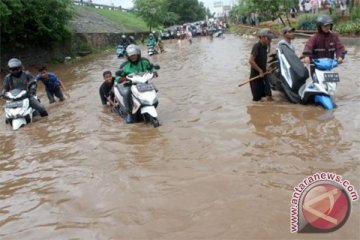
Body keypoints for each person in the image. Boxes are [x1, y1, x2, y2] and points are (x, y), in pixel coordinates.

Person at [115, 44, 158, 123]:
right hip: (131, 84)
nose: (133, 57)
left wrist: (154, 71)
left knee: (155, 90)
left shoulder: (145, 61)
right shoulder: (124, 66)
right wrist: (122, 78)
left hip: (144, 83)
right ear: (128, 56)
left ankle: (151, 105)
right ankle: (129, 113)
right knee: (127, 94)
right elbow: (117, 76)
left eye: (134, 55)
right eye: (131, 56)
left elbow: (151, 68)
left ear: (138, 54)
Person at [248, 28, 274, 102]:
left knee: (269, 96)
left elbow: (263, 60)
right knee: (257, 100)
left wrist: (267, 68)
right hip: (256, 76)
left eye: (271, 38)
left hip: (263, 74)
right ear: (262, 37)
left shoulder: (266, 46)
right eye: (268, 38)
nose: (270, 41)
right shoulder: (257, 46)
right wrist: (260, 71)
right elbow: (251, 61)